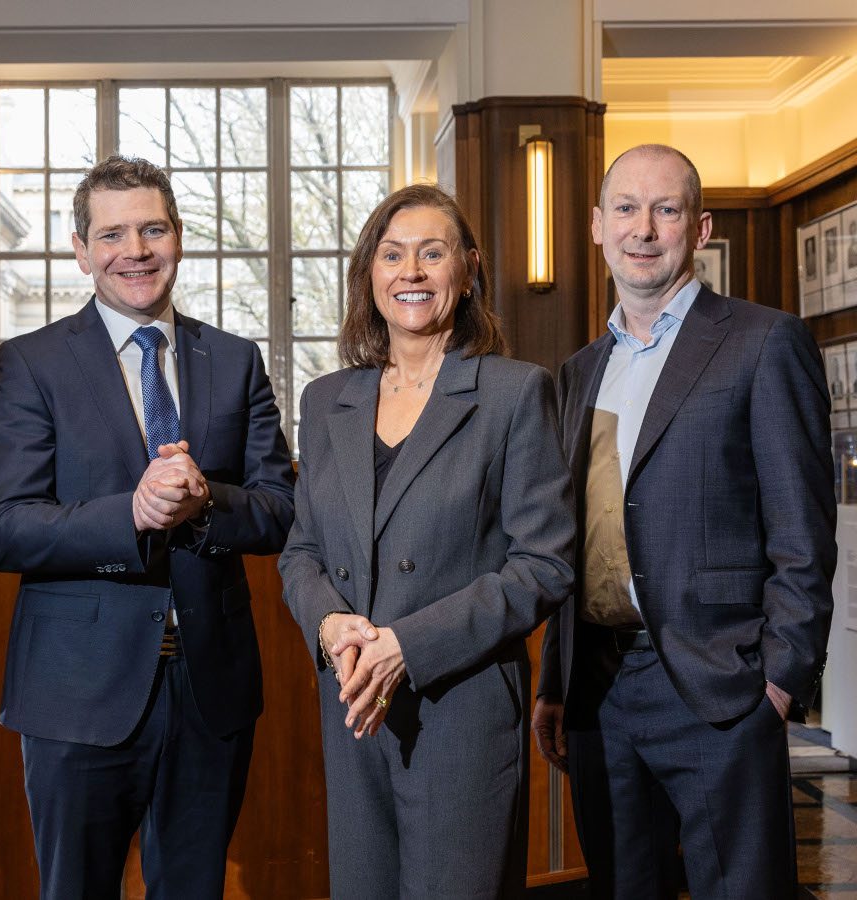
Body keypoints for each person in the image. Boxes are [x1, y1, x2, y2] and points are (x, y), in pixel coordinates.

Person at [0, 155, 295, 898]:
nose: (136, 251)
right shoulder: (31, 363)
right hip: (76, 692)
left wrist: (204, 502)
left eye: (153, 229)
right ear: (81, 250)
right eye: (112, 235)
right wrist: (132, 514)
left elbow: (281, 508)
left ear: (178, 237)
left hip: (209, 690)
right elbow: (3, 527)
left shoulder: (235, 360)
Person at [531, 144, 835, 899]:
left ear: (698, 230)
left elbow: (803, 533)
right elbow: (576, 537)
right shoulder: (579, 371)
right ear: (597, 226)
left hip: (720, 689)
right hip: (600, 693)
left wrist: (780, 680)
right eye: (626, 209)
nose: (643, 229)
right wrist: (555, 682)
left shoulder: (763, 342)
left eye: (665, 210)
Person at [279, 183, 575, 899]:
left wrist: (408, 645)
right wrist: (328, 623)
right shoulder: (327, 399)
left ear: (467, 270)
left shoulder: (513, 393)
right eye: (392, 254)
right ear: (369, 275)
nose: (410, 271)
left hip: (462, 715)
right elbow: (301, 551)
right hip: (354, 710)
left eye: (432, 253)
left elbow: (543, 564)